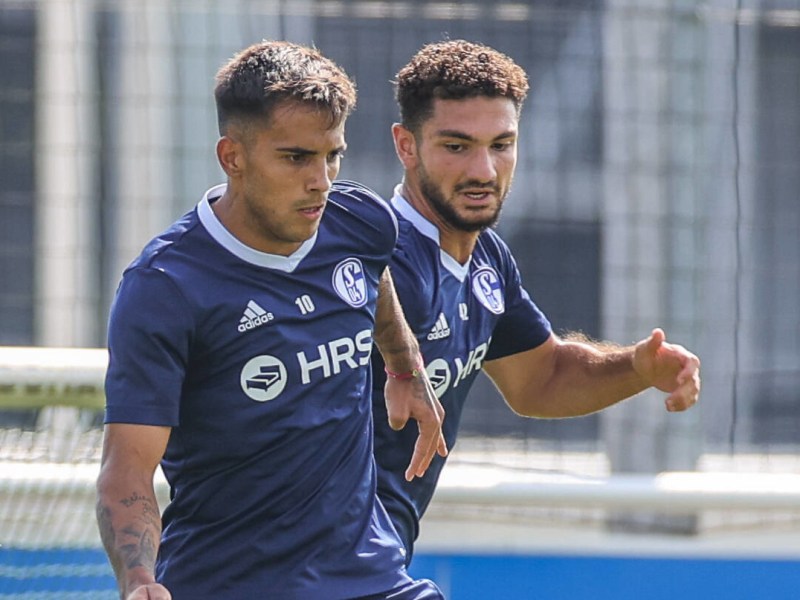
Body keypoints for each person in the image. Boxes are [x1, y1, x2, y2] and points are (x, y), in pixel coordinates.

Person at [95, 40, 448, 600]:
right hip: (230, 584)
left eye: (333, 154)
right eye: (296, 158)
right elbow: (128, 469)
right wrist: (139, 579)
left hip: (372, 579)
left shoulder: (360, 221)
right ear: (232, 157)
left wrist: (404, 366)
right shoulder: (164, 288)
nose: (322, 179)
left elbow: (371, 272)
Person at [370, 39, 702, 565]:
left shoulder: (486, 261)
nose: (483, 171)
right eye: (456, 146)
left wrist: (637, 366)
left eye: (501, 145)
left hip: (376, 557)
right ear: (406, 146)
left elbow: (541, 379)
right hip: (307, 560)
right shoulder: (366, 263)